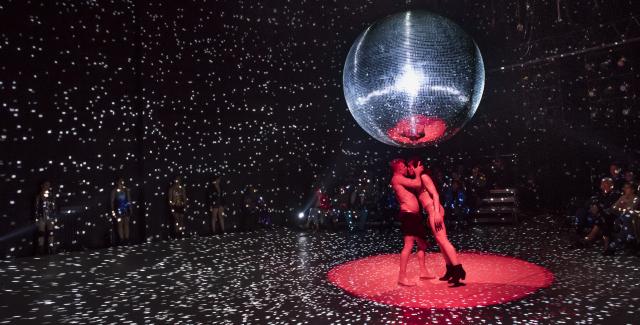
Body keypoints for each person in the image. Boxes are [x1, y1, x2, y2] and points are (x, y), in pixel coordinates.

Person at [409, 158, 466, 287]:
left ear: (418, 166)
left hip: (435, 210)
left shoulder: (424, 177)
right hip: (431, 211)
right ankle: (450, 270)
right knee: (441, 242)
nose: (410, 169)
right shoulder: (419, 179)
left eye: (411, 166)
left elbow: (435, 194)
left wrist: (436, 213)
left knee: (443, 240)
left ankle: (458, 270)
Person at [389, 158, 434, 287]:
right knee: (408, 245)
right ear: (398, 168)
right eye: (403, 166)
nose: (405, 169)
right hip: (408, 215)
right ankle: (402, 276)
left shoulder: (400, 179)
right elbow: (417, 184)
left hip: (413, 215)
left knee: (423, 244)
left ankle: (423, 271)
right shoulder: (397, 178)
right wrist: (418, 173)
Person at [579, 178, 619, 255]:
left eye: (605, 183)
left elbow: (611, 207)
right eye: (602, 183)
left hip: (612, 215)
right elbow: (594, 204)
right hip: (600, 214)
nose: (603, 185)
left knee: (603, 219)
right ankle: (604, 245)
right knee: (589, 214)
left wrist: (599, 209)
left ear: (611, 185)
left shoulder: (615, 194)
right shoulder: (600, 194)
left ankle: (590, 238)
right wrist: (595, 208)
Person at [34, 181, 56, 255]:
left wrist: (54, 217)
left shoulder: (51, 196)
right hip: (41, 217)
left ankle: (51, 249)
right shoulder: (38, 197)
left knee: (51, 233)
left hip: (50, 217)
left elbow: (53, 208)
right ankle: (41, 250)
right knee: (41, 233)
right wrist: (36, 219)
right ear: (42, 185)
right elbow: (36, 209)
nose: (48, 187)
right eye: (46, 185)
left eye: (49, 185)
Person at [110, 177, 133, 245]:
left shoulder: (126, 190)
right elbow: (112, 201)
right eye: (120, 181)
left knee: (126, 224)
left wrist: (130, 209)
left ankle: (127, 239)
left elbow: (129, 200)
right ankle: (122, 239)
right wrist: (112, 210)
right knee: (120, 224)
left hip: (125, 208)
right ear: (117, 182)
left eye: (122, 181)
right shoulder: (114, 191)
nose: (121, 182)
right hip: (118, 209)